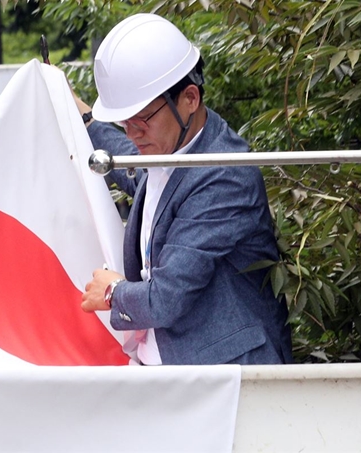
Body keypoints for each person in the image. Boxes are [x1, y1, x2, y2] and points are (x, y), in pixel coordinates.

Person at [76, 13, 292, 365]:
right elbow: (135, 168)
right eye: (123, 121)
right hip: (176, 373)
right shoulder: (174, 145)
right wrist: (83, 116)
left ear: (190, 98)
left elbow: (165, 299)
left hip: (227, 379)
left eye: (142, 119)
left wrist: (113, 292)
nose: (132, 133)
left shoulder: (223, 175)